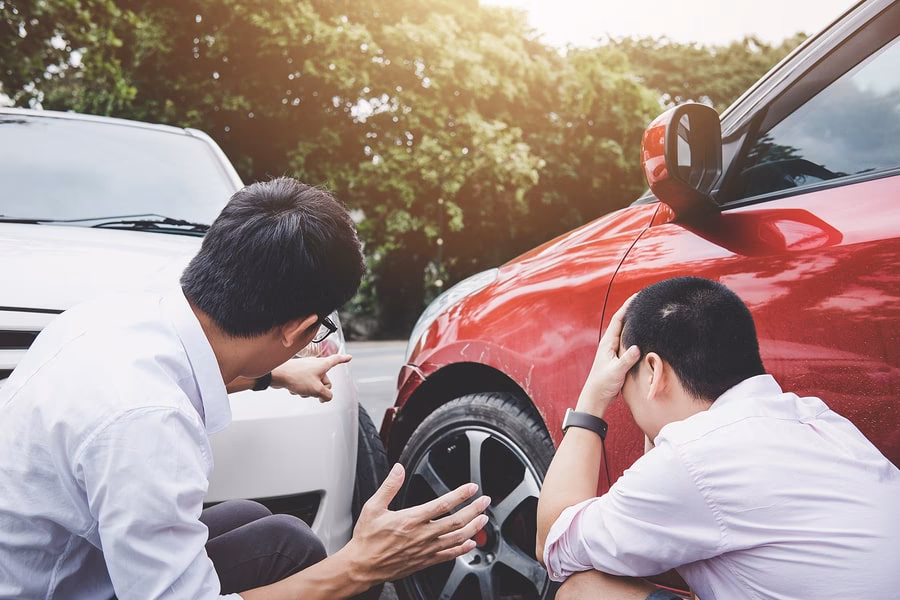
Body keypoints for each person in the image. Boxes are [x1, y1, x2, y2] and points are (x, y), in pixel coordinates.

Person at [0, 177, 490, 599]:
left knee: (267, 527)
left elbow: (175, 378)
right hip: (51, 588)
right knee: (304, 554)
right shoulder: (149, 425)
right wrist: (362, 564)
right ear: (298, 331)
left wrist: (273, 375)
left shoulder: (112, 316)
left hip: (52, 559)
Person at [535, 276, 900, 599]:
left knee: (583, 591)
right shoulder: (817, 418)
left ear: (652, 371)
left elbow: (553, 542)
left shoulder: (692, 458)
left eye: (623, 391)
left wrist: (593, 398)